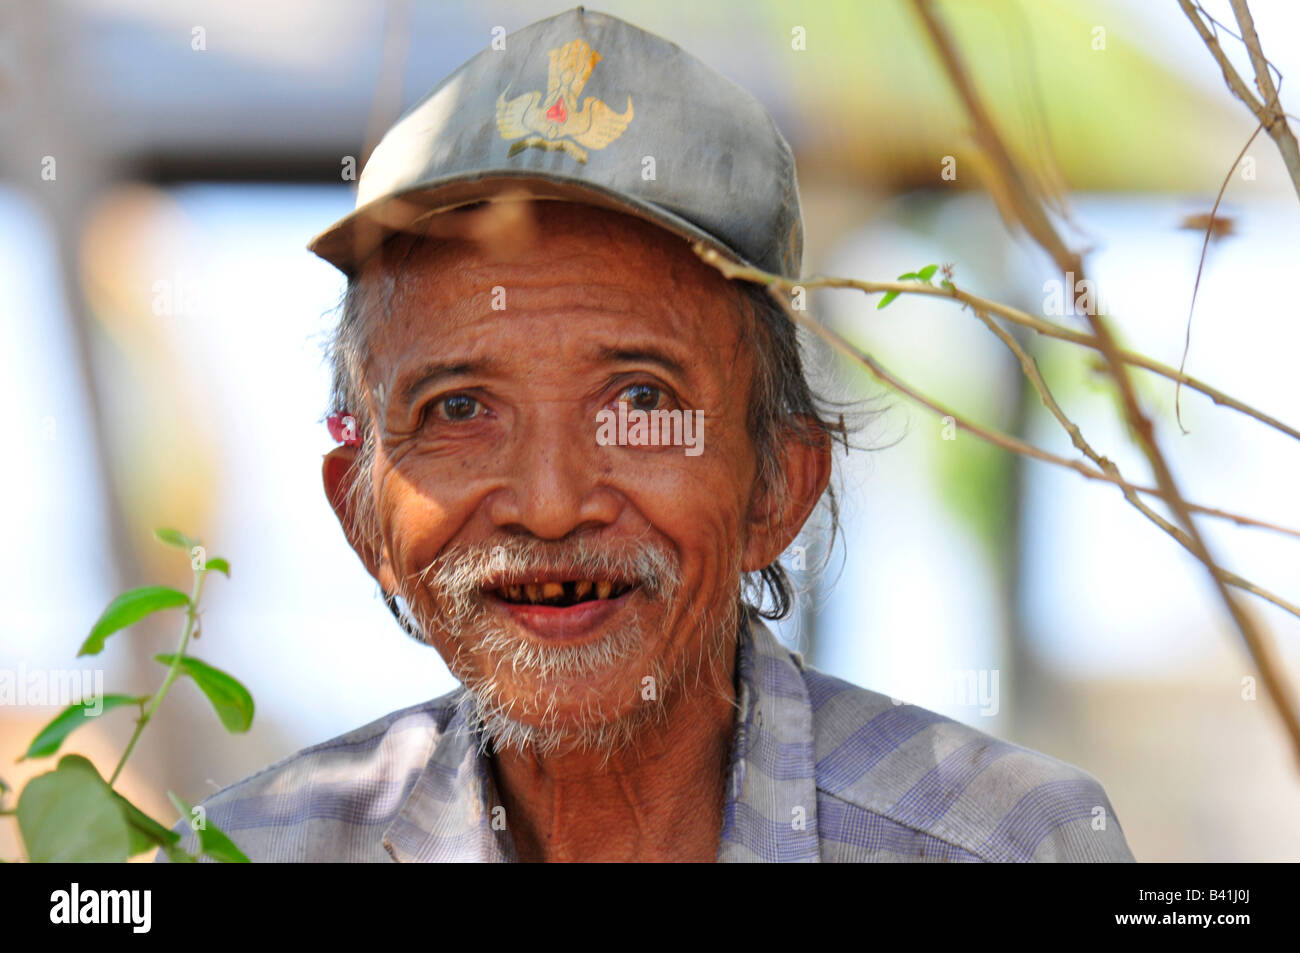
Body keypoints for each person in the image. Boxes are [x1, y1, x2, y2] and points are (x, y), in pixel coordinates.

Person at [160, 6, 1134, 862]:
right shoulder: (242, 854)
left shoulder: (1008, 843)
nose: (548, 503)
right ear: (360, 509)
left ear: (777, 488)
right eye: (457, 407)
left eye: (637, 400)